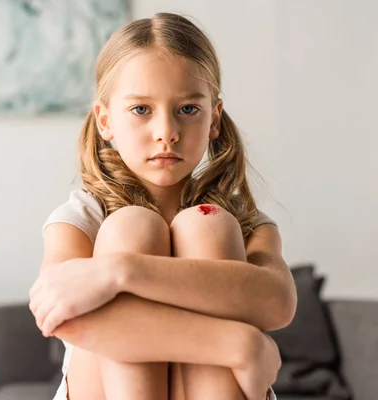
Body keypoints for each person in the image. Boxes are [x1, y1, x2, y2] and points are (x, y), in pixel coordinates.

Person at [28, 12, 296, 400]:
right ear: (105, 121)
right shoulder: (81, 218)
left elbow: (278, 303)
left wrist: (120, 271)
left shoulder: (246, 223)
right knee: (130, 226)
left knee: (209, 226)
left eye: (188, 109)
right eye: (141, 110)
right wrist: (238, 346)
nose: (167, 132)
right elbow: (58, 315)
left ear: (214, 118)